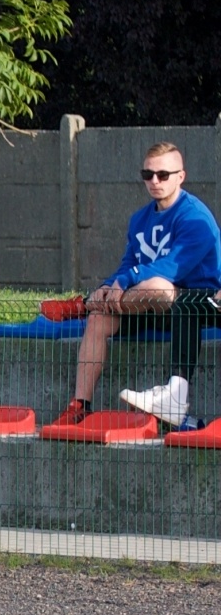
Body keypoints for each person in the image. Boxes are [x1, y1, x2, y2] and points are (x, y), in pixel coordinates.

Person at [57, 142, 221, 429]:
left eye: (163, 174)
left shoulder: (196, 217)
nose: (154, 181)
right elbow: (127, 263)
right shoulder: (139, 219)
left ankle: (82, 305)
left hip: (191, 300)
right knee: (99, 320)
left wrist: (125, 280)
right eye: (148, 174)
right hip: (144, 302)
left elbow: (172, 268)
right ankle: (79, 406)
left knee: (158, 285)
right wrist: (110, 285)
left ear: (181, 176)